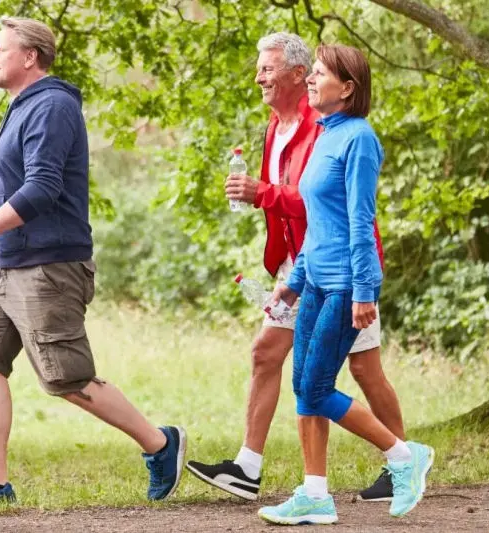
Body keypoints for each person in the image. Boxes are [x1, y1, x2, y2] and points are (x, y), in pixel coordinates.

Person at [0, 16, 186, 506]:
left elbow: (42, 187)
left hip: (46, 266)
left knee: (66, 379)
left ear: (30, 56)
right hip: (5, 264)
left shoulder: (51, 105)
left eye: (0, 48)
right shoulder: (21, 107)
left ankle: (160, 444)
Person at [187, 32, 404, 503]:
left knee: (362, 370)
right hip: (301, 264)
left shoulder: (326, 127)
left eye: (268, 68)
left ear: (297, 74)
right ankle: (255, 468)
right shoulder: (275, 126)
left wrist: (261, 192)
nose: (259, 76)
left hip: (341, 266)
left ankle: (401, 460)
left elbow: (325, 207)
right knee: (269, 355)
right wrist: (288, 269)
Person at [256, 44, 434, 525]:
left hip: (343, 287)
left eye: (319, 74)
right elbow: (320, 224)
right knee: (302, 386)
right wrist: (293, 283)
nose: (310, 81)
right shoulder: (325, 135)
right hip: (316, 283)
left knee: (314, 389)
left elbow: (361, 222)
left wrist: (364, 291)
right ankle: (315, 494)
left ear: (348, 87)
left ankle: (403, 456)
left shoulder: (358, 139)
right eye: (310, 73)